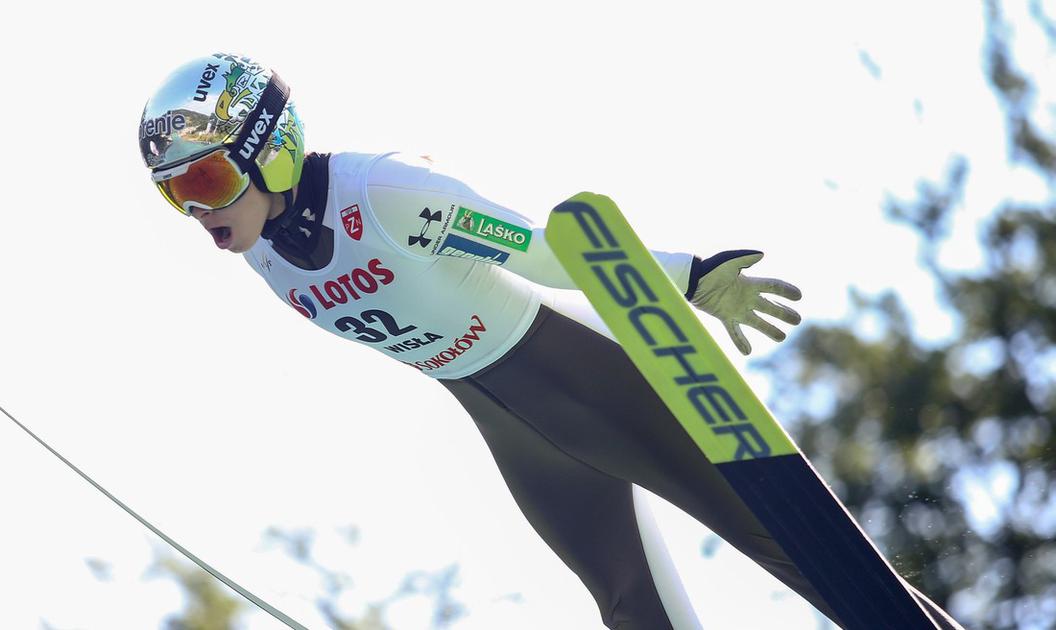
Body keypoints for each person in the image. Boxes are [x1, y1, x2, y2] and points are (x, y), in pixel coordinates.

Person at [139, 53, 962, 630]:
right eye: (176, 194)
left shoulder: (383, 192)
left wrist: (688, 275)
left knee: (798, 555)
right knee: (628, 609)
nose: (198, 212)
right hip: (513, 430)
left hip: (583, 373)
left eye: (205, 180)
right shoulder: (266, 260)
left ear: (267, 149)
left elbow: (538, 245)